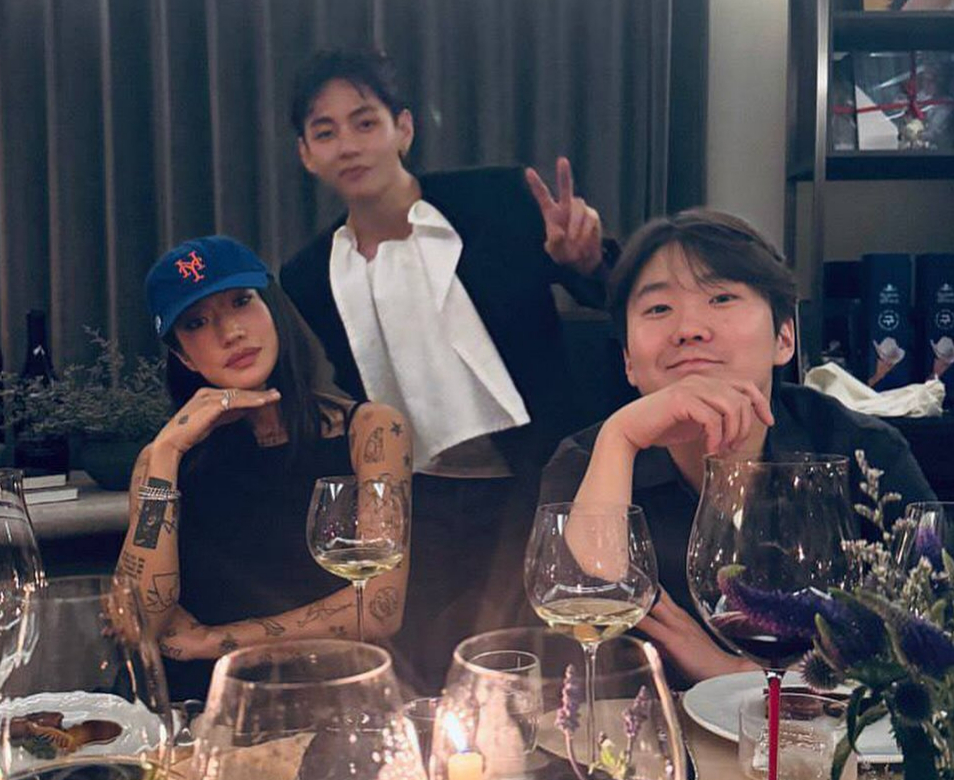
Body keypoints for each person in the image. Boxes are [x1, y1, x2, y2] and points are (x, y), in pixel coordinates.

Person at [279, 49, 618, 691]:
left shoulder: (499, 200)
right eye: (325, 132)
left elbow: (610, 293)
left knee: (534, 668)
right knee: (426, 670)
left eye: (365, 122)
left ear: (403, 128)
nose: (348, 144)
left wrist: (586, 259)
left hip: (535, 484)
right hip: (420, 501)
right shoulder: (308, 275)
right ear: (306, 153)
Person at [540, 208, 936, 686]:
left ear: (784, 337)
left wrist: (733, 675)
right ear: (628, 359)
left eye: (722, 298)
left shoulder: (863, 453)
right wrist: (620, 439)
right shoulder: (586, 461)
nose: (689, 329)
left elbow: (935, 645)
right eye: (658, 309)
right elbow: (574, 642)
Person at [118, 235, 411, 701]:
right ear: (183, 356)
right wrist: (168, 452)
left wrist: (213, 643)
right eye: (197, 322)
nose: (231, 332)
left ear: (274, 308)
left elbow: (378, 607)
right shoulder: (163, 460)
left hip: (329, 693)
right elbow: (139, 623)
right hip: (201, 705)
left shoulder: (371, 430)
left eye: (241, 302)